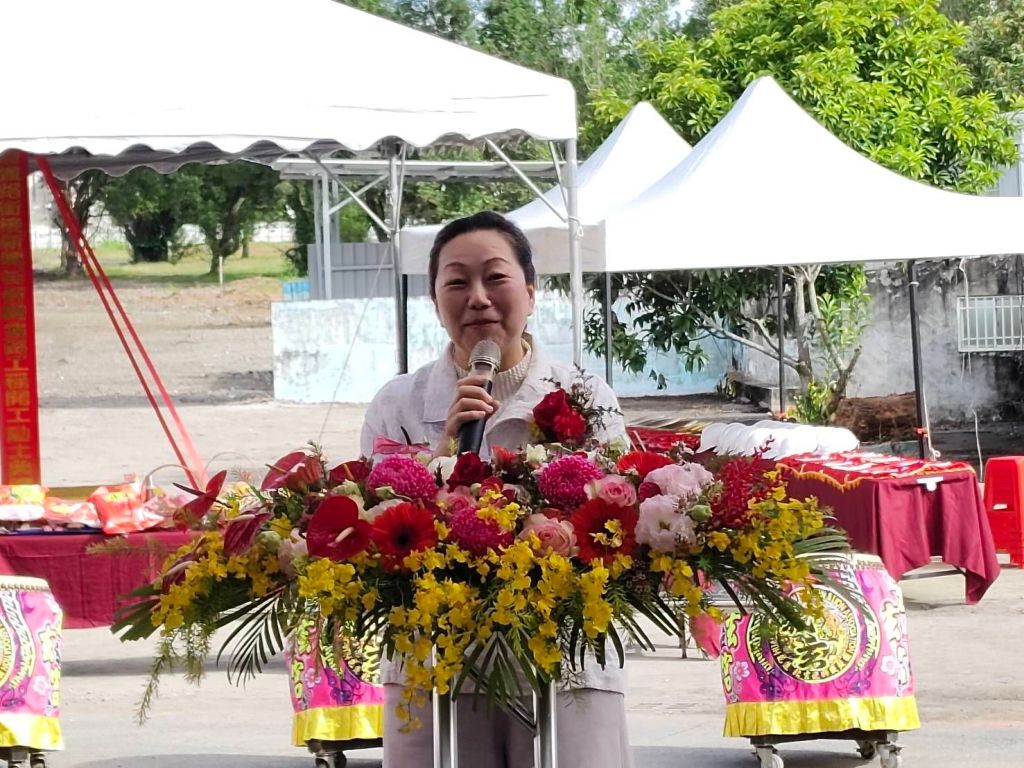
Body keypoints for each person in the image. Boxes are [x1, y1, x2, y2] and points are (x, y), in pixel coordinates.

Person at [360, 211, 633, 768]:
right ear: (435, 300)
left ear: (531, 291)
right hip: (435, 666)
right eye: (457, 282)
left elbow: (619, 520)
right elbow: (375, 533)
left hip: (566, 663)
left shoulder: (584, 394)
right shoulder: (398, 403)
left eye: (496, 277)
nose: (478, 298)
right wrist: (443, 450)